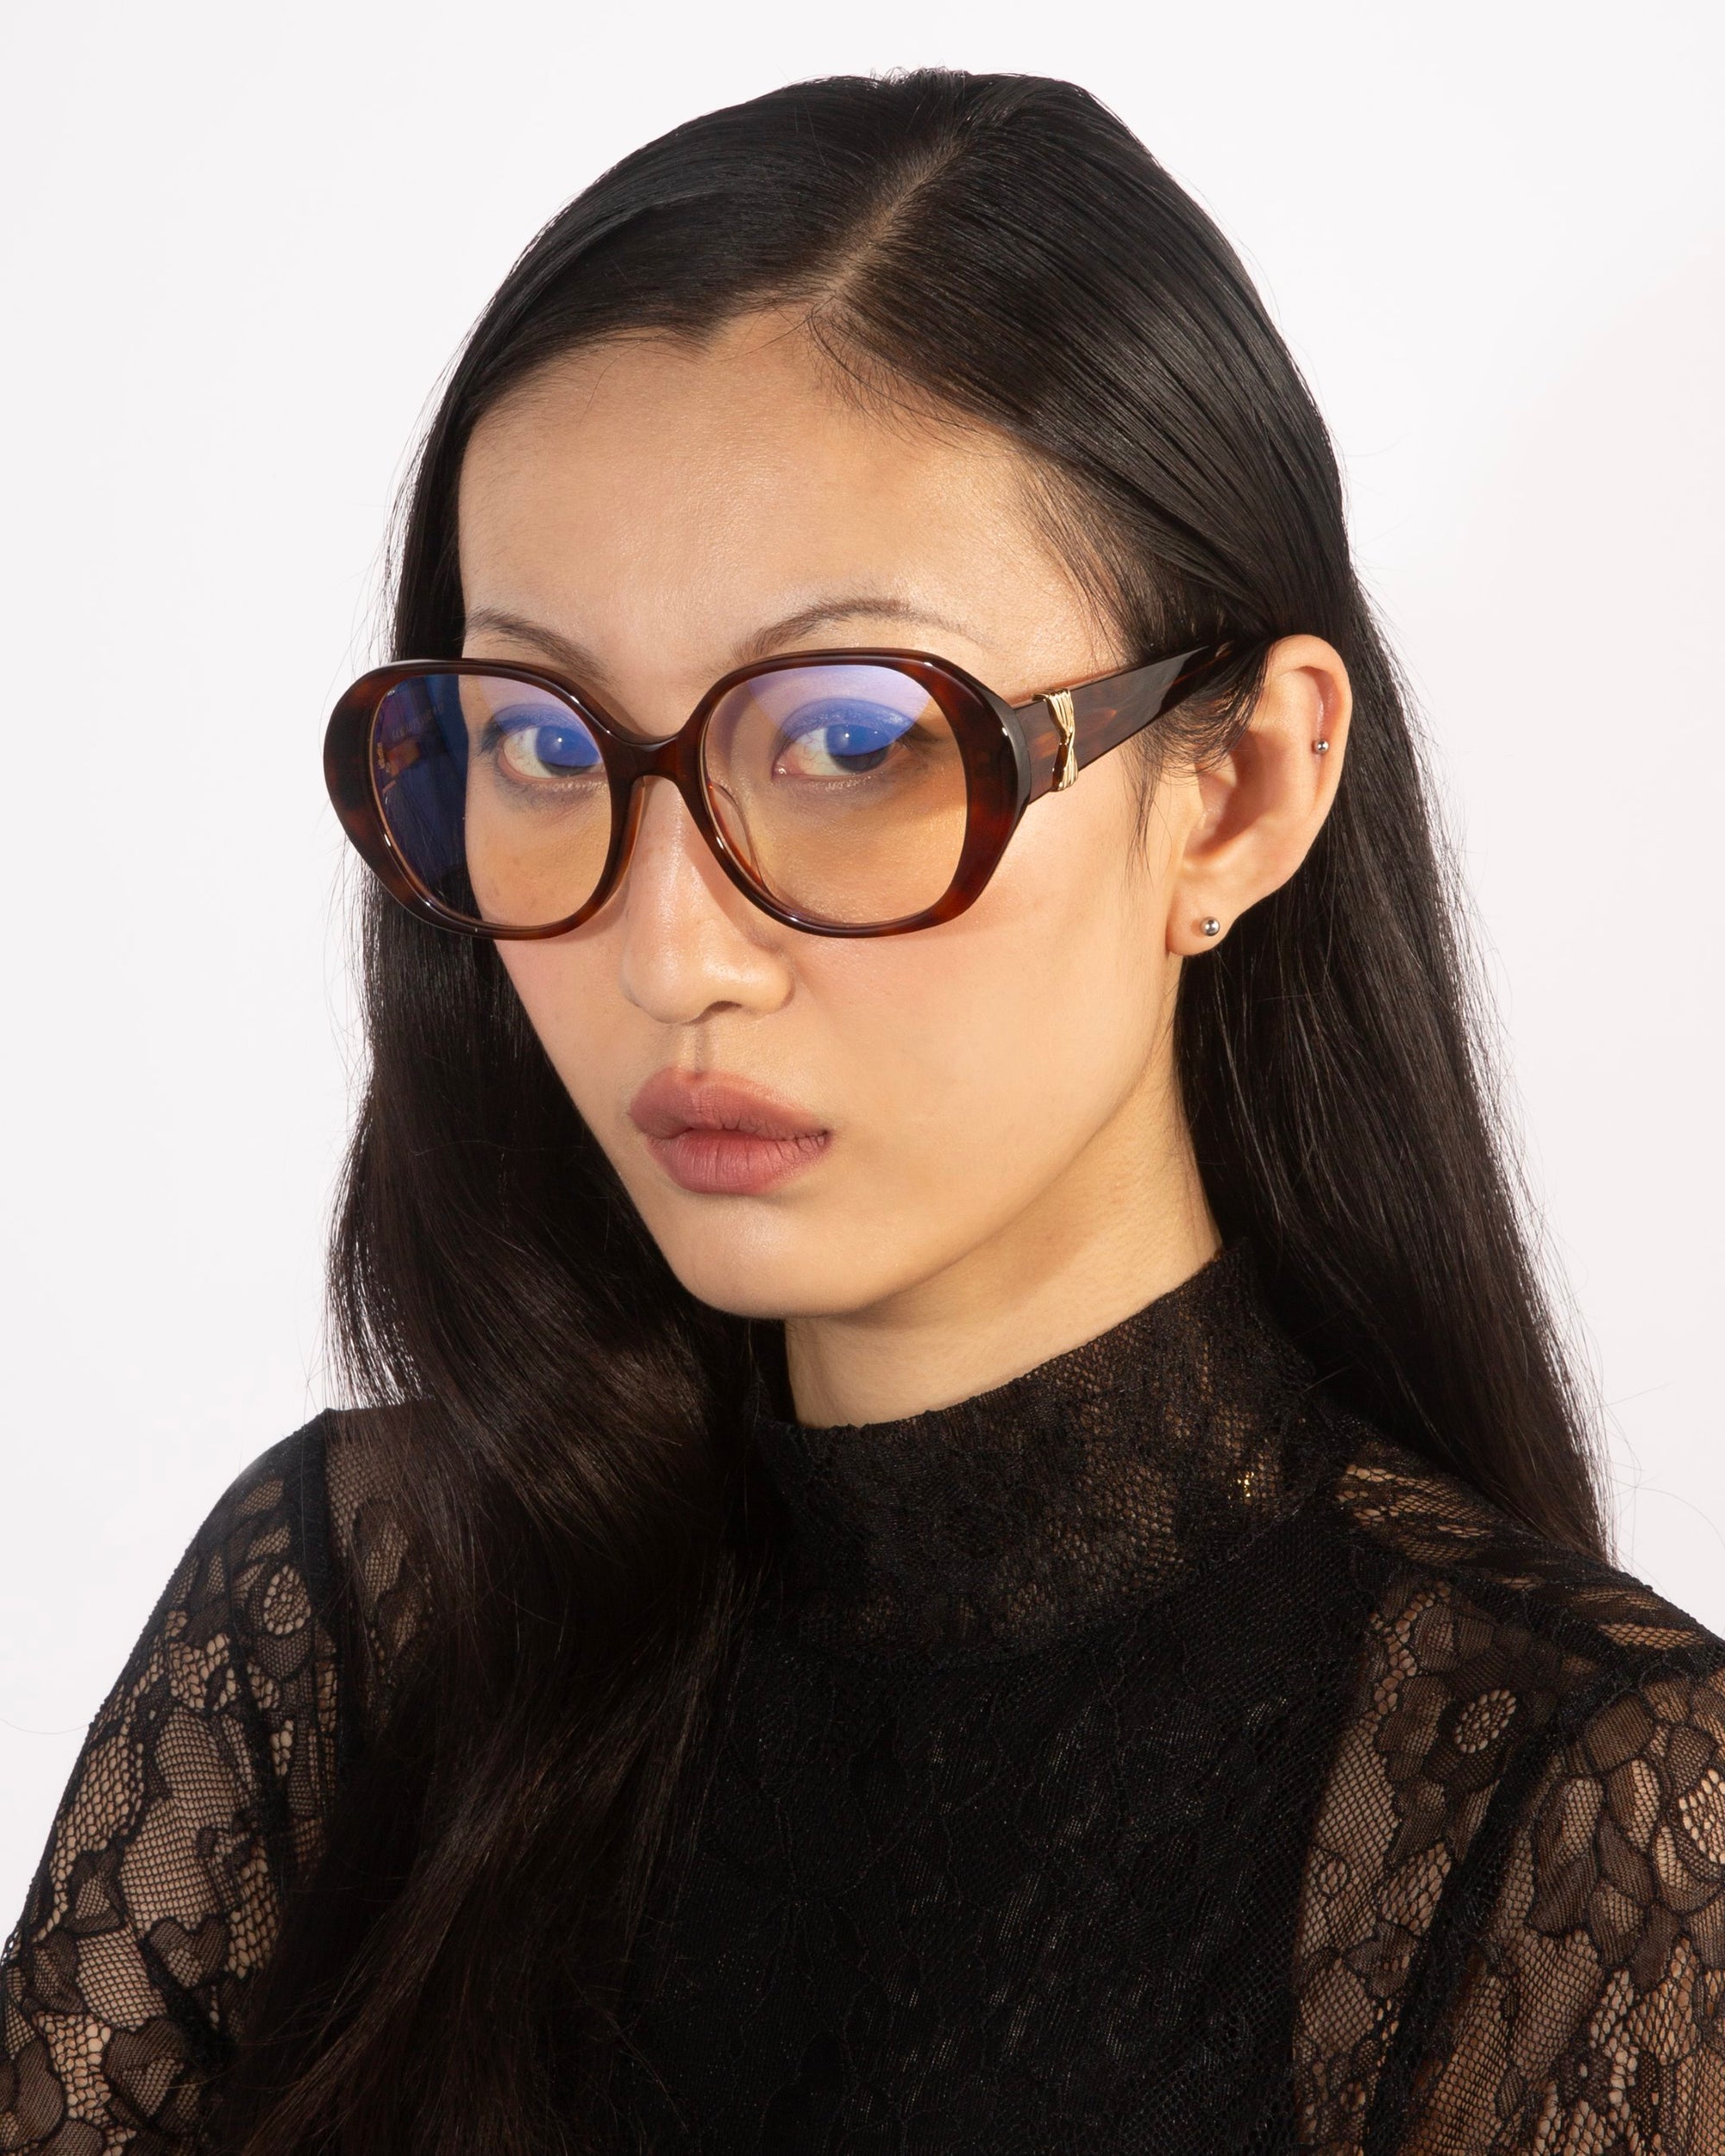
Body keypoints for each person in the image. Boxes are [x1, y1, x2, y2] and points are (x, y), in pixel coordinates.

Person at [5, 68, 1722, 2156]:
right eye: (540, 738)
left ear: (1241, 788)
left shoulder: (1560, 1824)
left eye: (847, 732)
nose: (670, 951)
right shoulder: (354, 1632)